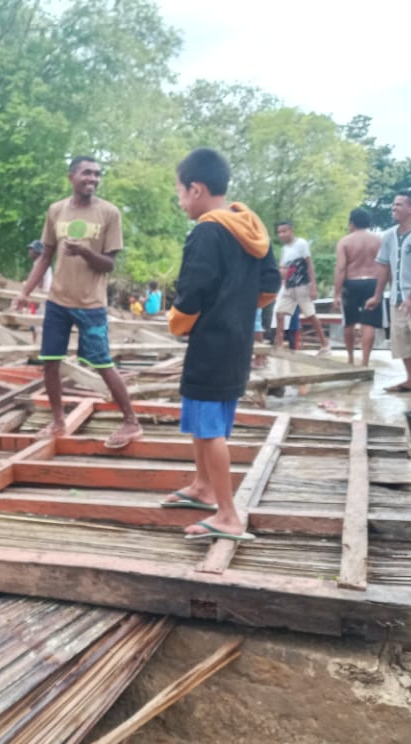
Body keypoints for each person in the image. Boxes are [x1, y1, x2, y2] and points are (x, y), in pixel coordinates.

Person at [164, 148, 280, 542]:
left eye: (180, 192)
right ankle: (203, 486)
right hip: (237, 340)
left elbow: (192, 289)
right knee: (204, 416)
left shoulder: (207, 231)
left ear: (196, 189)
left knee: (210, 427)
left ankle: (228, 514)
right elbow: (270, 284)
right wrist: (239, 305)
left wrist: (178, 323)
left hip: (211, 342)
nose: (181, 201)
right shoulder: (251, 228)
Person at [10, 156, 143, 449]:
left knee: (103, 363)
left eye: (97, 174)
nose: (92, 179)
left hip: (90, 305)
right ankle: (58, 422)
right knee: (50, 363)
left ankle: (131, 421)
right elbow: (45, 256)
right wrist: (25, 293)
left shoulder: (109, 213)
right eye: (86, 173)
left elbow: (109, 264)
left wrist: (84, 252)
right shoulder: (56, 211)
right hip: (58, 302)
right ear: (71, 176)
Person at [365, 189, 411, 400]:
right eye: (394, 204)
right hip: (397, 295)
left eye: (399, 204)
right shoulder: (389, 235)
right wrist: (378, 295)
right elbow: (384, 267)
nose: (394, 208)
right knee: (400, 338)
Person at [332, 208, 384, 366]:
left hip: (352, 282)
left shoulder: (345, 241)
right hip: (373, 282)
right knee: (368, 324)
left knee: (349, 322)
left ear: (351, 223)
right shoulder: (379, 240)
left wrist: (336, 293)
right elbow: (385, 265)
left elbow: (341, 268)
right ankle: (365, 361)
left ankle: (350, 358)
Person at [273, 220, 330, 355]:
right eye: (279, 232)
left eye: (284, 231)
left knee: (310, 314)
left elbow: (309, 264)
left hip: (302, 285)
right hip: (288, 286)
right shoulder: (284, 249)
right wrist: (281, 272)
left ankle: (324, 344)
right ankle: (279, 346)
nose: (281, 235)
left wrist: (313, 286)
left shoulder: (301, 244)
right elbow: (282, 267)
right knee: (279, 313)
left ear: (291, 231)